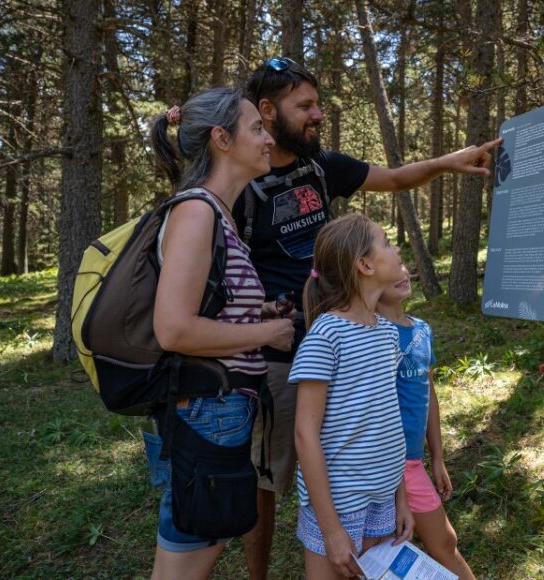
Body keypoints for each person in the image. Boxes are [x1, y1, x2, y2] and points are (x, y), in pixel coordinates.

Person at [238, 56, 501, 578]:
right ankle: (263, 570)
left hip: (344, 338)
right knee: (268, 480)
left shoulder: (322, 167)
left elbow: (398, 177)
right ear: (267, 111)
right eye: (304, 106)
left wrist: (450, 162)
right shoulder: (244, 180)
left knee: (357, 442)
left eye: (318, 104)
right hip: (278, 356)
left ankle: (355, 540)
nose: (317, 115)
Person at [144, 86, 295, 580]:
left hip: (219, 408)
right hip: (208, 409)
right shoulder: (197, 212)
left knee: (187, 552)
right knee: (186, 563)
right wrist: (267, 332)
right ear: (221, 139)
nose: (268, 139)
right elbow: (174, 329)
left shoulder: (219, 213)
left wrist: (258, 312)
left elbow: (210, 308)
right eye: (256, 128)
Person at [291, 214, 413, 579]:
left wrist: (401, 499)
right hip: (339, 504)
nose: (396, 248)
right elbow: (304, 434)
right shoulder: (327, 336)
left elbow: (389, 422)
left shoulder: (387, 333)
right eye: (387, 242)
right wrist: (331, 530)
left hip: (382, 498)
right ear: (365, 265)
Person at [376, 266, 476, 579]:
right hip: (386, 463)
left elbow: (428, 395)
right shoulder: (371, 334)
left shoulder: (422, 329)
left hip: (413, 461)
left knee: (440, 543)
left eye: (403, 265)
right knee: (439, 543)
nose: (402, 272)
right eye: (391, 270)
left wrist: (437, 458)